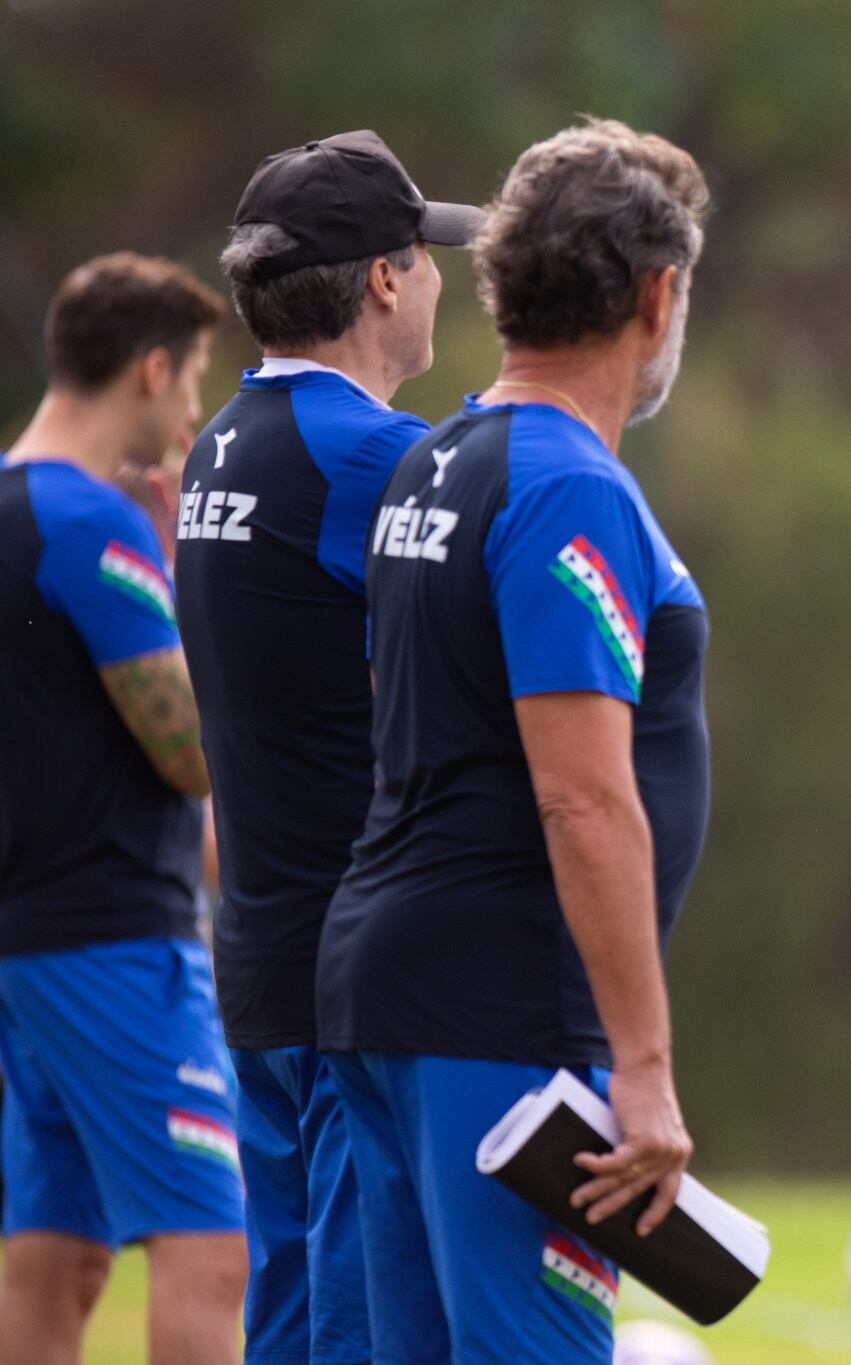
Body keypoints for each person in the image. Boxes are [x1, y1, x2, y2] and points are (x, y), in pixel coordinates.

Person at [316, 118, 712, 1363]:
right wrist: (641, 1071)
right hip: (501, 1018)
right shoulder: (566, 484)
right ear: (658, 295)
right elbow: (582, 799)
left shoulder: (437, 459)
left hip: (390, 990)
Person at [176, 130, 482, 1365]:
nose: (442, 279)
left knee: (296, 1326)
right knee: (364, 1332)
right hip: (354, 974)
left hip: (261, 951)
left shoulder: (219, 442)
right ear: (383, 281)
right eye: (429, 254)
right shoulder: (370, 454)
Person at [0, 253, 245, 1364]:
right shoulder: (93, 527)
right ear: (151, 371)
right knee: (208, 1250)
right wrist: (187, 567)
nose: (195, 407)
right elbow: (194, 752)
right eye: (194, 380)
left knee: (55, 1259)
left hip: (23, 951)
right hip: (114, 944)